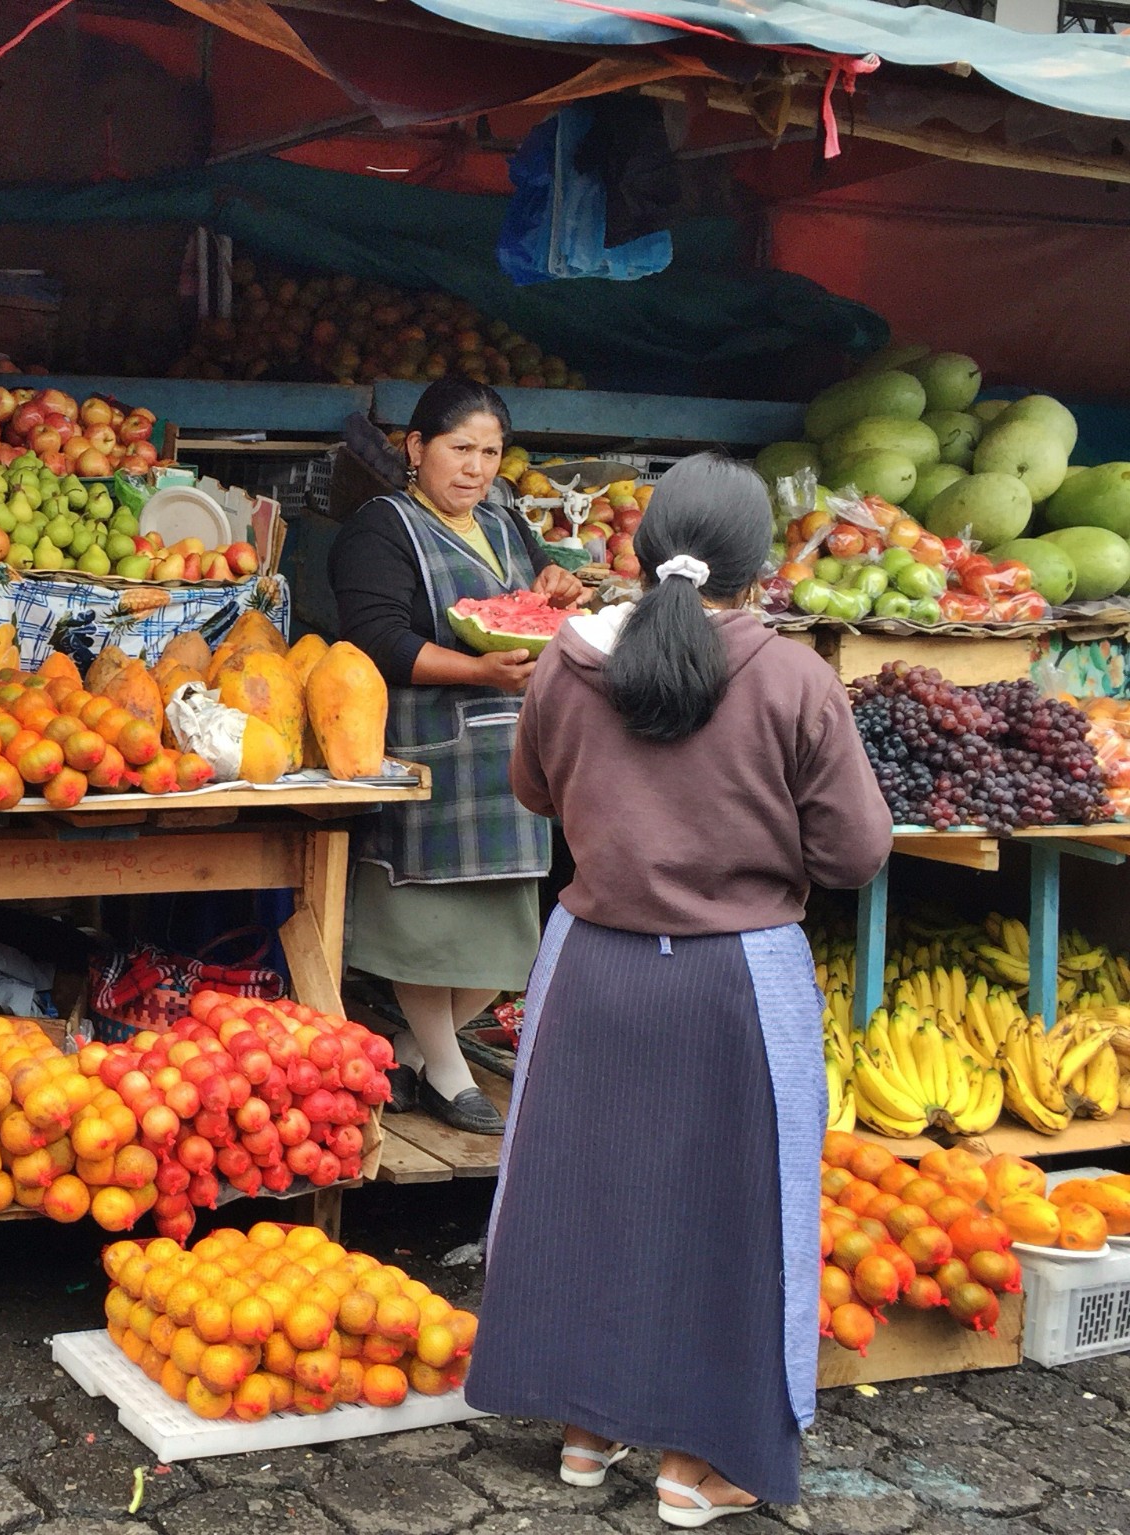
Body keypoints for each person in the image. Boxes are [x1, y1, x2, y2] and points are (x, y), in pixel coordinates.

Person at [464, 454, 890, 1526]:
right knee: (740, 1215)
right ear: (756, 565)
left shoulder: (567, 662)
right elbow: (855, 851)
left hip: (591, 964)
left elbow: (532, 790)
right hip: (735, 978)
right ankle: (703, 1461)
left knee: (580, 1192)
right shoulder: (792, 677)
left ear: (644, 548)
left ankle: (582, 1427)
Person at [331, 379, 584, 1135]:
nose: (475, 468)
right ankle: (446, 1069)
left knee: (504, 936)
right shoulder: (382, 527)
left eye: (491, 452)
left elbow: (532, 616)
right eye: (459, 448)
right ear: (416, 449)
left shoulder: (507, 523)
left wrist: (555, 591)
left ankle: (411, 1046)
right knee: (424, 926)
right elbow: (375, 637)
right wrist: (476, 669)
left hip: (510, 758)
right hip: (429, 754)